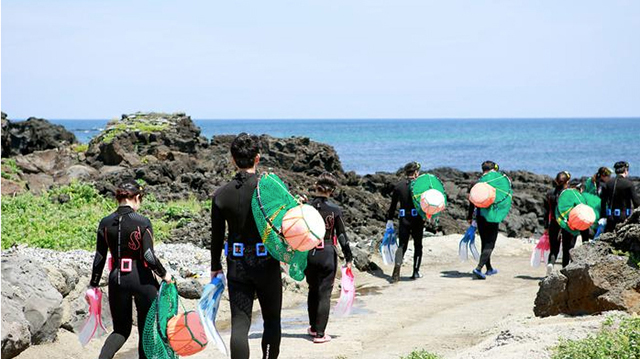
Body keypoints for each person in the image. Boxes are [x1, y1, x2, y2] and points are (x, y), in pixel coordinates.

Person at [210, 133, 282, 359]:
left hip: (237, 265)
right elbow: (286, 226)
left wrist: (215, 266)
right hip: (266, 263)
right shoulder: (268, 190)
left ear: (233, 159)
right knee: (271, 320)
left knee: (240, 324)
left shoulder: (221, 195)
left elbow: (217, 237)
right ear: (257, 158)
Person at [90, 181, 171, 359]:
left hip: (117, 279)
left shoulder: (105, 223)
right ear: (136, 198)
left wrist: (93, 284)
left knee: (121, 330)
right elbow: (149, 257)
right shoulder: (142, 222)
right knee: (146, 331)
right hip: (142, 279)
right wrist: (165, 274)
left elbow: (100, 257)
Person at [305, 172, 353, 344]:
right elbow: (342, 236)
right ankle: (320, 334)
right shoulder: (334, 210)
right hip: (326, 253)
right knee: (324, 294)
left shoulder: (306, 208)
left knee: (312, 289)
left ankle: (312, 327)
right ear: (332, 191)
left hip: (309, 253)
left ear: (316, 185)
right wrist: (348, 257)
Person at [386, 161, 424, 282]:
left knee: (402, 245)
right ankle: (415, 272)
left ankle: (396, 272)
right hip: (417, 219)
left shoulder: (399, 186)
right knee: (418, 245)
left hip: (404, 219)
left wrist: (389, 219)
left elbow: (392, 206)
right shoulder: (420, 186)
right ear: (416, 172)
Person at [467, 161, 501, 280]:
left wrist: (470, 217)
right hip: (491, 216)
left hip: (480, 216)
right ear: (492, 170)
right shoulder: (494, 184)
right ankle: (478, 268)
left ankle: (489, 268)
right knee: (490, 243)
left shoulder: (476, 184)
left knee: (484, 242)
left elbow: (472, 202)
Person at [543, 171, 573, 275]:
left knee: (554, 248)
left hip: (554, 223)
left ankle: (550, 264)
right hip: (566, 224)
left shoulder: (550, 193)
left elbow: (546, 212)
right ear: (567, 182)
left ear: (556, 180)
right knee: (566, 248)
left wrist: (546, 226)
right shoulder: (569, 194)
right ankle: (564, 271)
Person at [599, 161, 640, 233]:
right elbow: (636, 202)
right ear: (625, 170)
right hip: (624, 216)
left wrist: (603, 216)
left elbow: (603, 202)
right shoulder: (629, 184)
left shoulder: (608, 184)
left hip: (610, 216)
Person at [581, 167, 612, 241]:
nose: (610, 178)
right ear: (604, 176)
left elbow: (585, 193)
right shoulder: (605, 185)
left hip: (589, 208)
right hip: (599, 208)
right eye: (609, 176)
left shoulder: (590, 181)